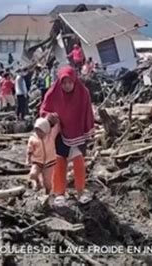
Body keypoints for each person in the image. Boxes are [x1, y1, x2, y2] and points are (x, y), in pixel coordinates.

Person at [40, 66, 95, 206]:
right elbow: (44, 109)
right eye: (64, 83)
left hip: (78, 132)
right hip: (61, 132)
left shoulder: (83, 93)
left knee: (78, 162)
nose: (67, 86)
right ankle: (59, 193)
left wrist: (88, 129)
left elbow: (88, 111)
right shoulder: (53, 92)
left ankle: (81, 192)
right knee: (60, 162)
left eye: (70, 82)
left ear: (74, 81)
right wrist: (50, 117)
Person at [27, 118, 59, 194]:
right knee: (33, 174)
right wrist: (28, 159)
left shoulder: (50, 137)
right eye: (37, 130)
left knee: (47, 182)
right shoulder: (33, 139)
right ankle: (37, 182)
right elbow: (29, 150)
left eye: (40, 131)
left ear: (46, 131)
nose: (38, 132)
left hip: (49, 162)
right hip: (37, 161)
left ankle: (47, 193)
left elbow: (56, 128)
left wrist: (56, 120)